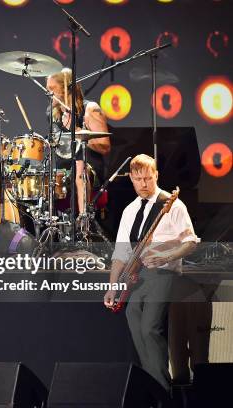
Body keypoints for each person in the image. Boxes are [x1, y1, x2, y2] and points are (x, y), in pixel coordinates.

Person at [104, 154, 199, 391]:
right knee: (133, 319)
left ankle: (162, 390)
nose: (143, 184)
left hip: (165, 273)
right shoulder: (130, 210)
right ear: (132, 180)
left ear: (156, 175)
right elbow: (120, 254)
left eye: (147, 178)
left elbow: (191, 242)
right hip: (138, 276)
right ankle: (153, 384)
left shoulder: (172, 204)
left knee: (149, 328)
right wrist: (113, 286)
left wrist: (165, 256)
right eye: (138, 180)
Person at [46, 68, 111, 215]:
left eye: (52, 88)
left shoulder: (91, 109)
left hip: (88, 171)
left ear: (66, 88)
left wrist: (76, 131)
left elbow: (105, 147)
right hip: (64, 172)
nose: (48, 92)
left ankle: (83, 221)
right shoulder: (52, 113)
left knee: (80, 168)